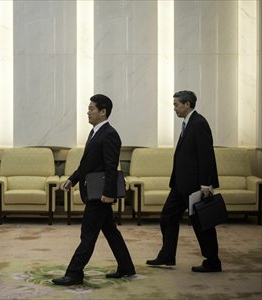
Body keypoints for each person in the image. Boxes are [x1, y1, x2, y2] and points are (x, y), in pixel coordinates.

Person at [52, 94, 135, 286]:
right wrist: (72, 180)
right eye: (88, 108)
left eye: (91, 109)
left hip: (100, 195)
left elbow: (111, 167)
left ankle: (74, 273)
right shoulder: (95, 132)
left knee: (88, 234)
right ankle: (126, 267)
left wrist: (108, 194)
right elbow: (86, 164)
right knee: (111, 232)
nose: (87, 112)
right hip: (95, 191)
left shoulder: (110, 134)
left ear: (103, 111)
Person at [146, 90, 221, 272]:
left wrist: (205, 184)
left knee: (202, 223)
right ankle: (167, 256)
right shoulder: (188, 123)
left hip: (195, 186)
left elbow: (206, 156)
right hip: (180, 185)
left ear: (187, 104)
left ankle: (212, 261)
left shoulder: (199, 123)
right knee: (167, 216)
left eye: (176, 104)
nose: (174, 108)